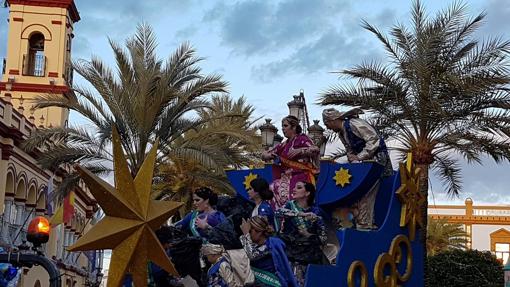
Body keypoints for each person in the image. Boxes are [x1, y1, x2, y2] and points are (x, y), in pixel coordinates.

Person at [322, 108, 393, 230]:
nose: (328, 128)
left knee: (367, 192)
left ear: (333, 120)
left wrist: (360, 156)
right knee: (357, 192)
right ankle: (357, 221)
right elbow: (349, 149)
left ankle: (365, 224)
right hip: (361, 165)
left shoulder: (354, 123)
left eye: (327, 124)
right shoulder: (341, 132)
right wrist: (351, 157)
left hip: (374, 162)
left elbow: (374, 139)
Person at [275, 181, 328, 286]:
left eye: (298, 188)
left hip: (309, 256)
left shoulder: (316, 212)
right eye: (294, 187)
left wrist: (308, 235)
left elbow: (324, 238)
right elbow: (278, 213)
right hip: (290, 254)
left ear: (307, 193)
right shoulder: (289, 206)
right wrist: (301, 214)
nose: (294, 190)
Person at [262, 115, 320, 209]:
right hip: (286, 177)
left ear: (294, 127)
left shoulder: (302, 138)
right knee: (271, 188)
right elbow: (265, 155)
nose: (283, 129)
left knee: (289, 193)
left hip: (301, 176)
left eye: (285, 126)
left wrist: (300, 151)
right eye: (282, 126)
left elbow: (315, 149)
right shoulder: (284, 144)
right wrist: (268, 155)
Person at [240, 216, 298, 287]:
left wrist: (246, 235)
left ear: (259, 232)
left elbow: (252, 255)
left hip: (273, 283)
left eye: (250, 232)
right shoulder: (254, 246)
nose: (249, 235)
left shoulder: (272, 244)